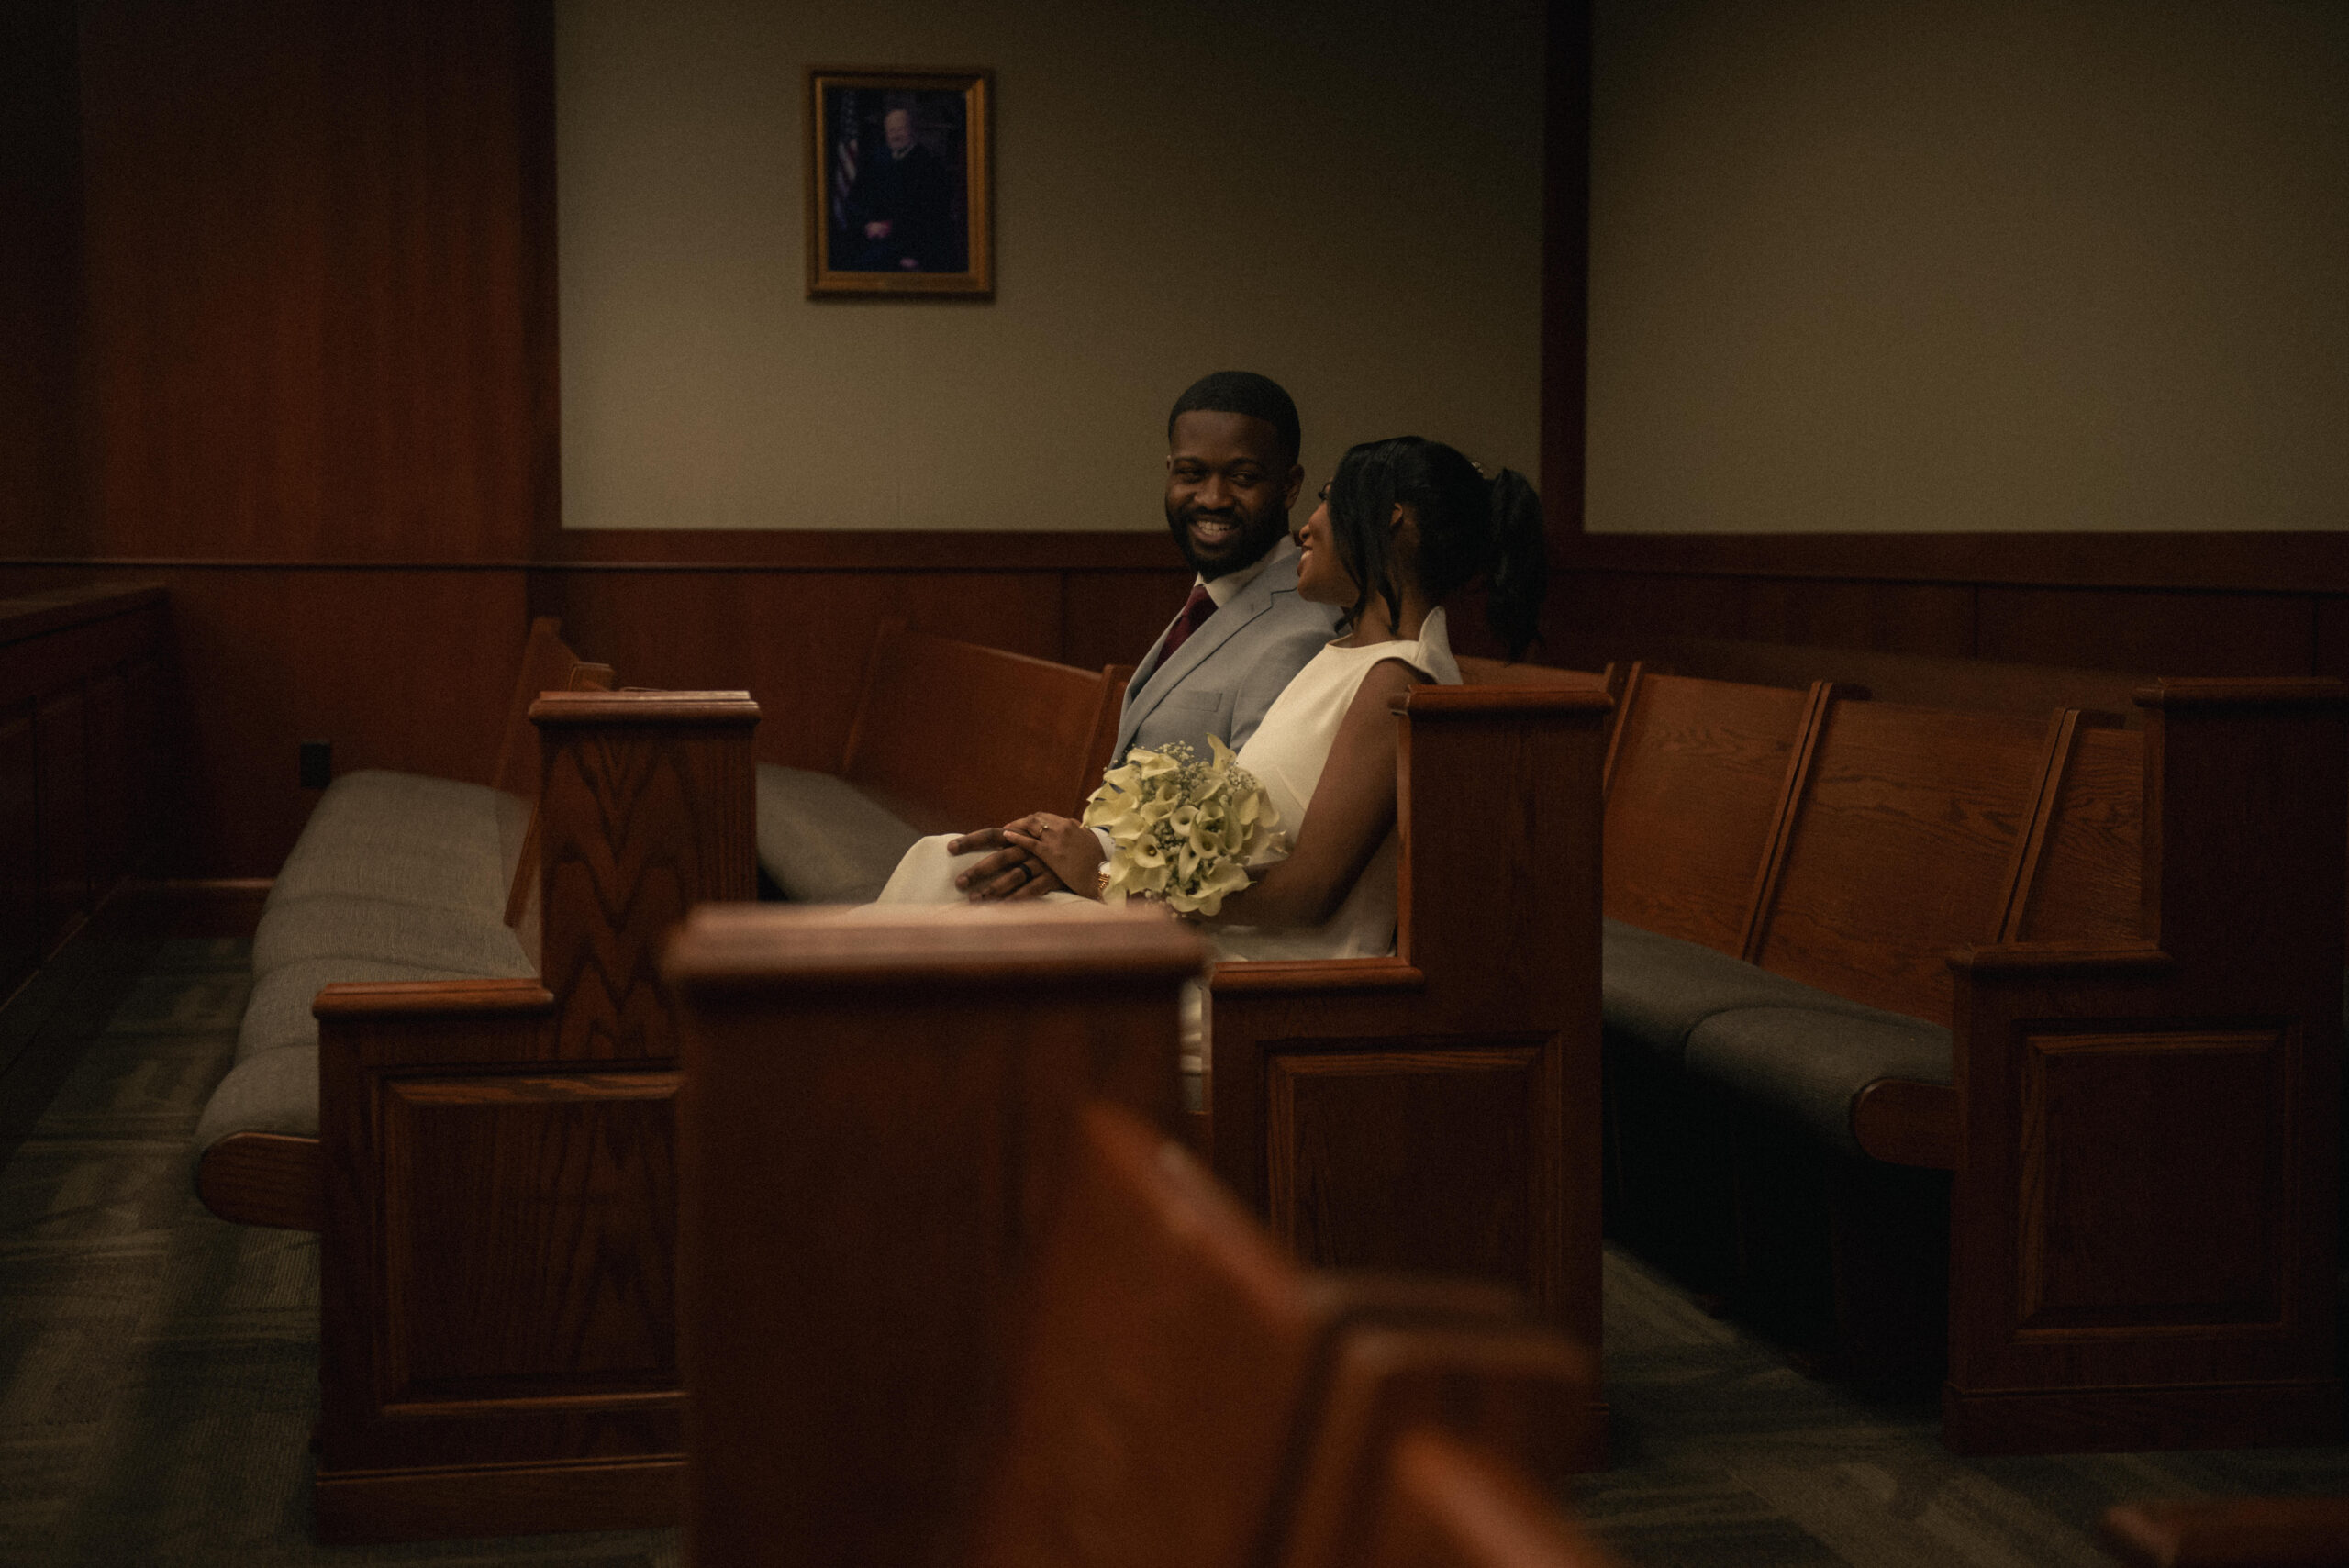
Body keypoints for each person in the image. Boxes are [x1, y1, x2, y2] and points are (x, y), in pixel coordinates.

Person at [877, 435, 1549, 965]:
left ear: (1387, 520)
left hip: (1259, 968)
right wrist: (1095, 849)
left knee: (951, 949)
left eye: (1326, 501)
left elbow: (1310, 893)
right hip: (1216, 933)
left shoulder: (1397, 681)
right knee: (944, 866)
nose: (1307, 527)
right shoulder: (1347, 655)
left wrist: (1113, 881)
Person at [947, 372, 1341, 901]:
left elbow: (1256, 841)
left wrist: (1097, 870)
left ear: (1289, 486)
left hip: (1179, 924)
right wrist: (1052, 849)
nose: (1213, 498)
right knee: (945, 870)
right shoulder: (1210, 598)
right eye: (1191, 474)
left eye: (1243, 478)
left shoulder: (1303, 630)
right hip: (1122, 890)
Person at [839, 106, 959, 272]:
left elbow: (932, 215)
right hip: (874, 238)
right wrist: (867, 224)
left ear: (912, 130)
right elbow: (856, 199)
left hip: (912, 245)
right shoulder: (876, 161)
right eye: (891, 130)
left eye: (901, 129)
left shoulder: (929, 165)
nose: (896, 135)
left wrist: (892, 228)